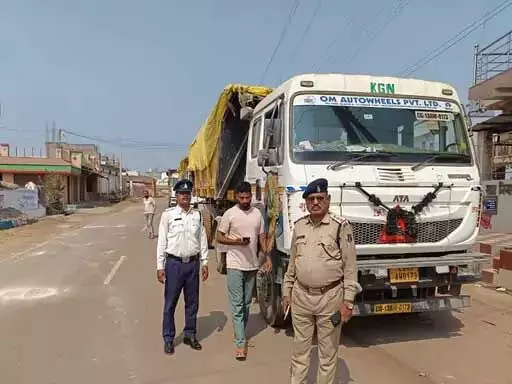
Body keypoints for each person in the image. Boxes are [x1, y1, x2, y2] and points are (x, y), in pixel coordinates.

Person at [282, 178, 359, 384]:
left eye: (320, 198)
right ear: (306, 202)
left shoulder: (340, 227)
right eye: (311, 199)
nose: (315, 202)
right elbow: (292, 264)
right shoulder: (299, 226)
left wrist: (348, 302)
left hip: (330, 299)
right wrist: (286, 292)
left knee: (327, 355)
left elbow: (350, 268)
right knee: (299, 352)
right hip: (301, 298)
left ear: (328, 199)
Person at [216, 181, 271, 361]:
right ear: (236, 197)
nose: (245, 200)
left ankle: (240, 332)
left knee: (247, 303)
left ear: (251, 196)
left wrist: (268, 257)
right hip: (234, 265)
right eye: (242, 197)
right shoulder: (229, 214)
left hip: (252, 265)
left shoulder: (257, 214)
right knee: (237, 304)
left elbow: (262, 237)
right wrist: (237, 242)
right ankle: (241, 343)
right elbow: (219, 237)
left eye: (248, 197)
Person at [156, 179, 209, 355]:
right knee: (170, 303)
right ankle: (169, 338)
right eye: (181, 194)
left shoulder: (197, 215)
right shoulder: (168, 215)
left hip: (192, 264)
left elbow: (202, 239)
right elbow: (162, 241)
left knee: (192, 303)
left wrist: (205, 262)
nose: (185, 196)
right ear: (176, 196)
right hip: (174, 264)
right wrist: (160, 265)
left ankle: (190, 334)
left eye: (188, 193)